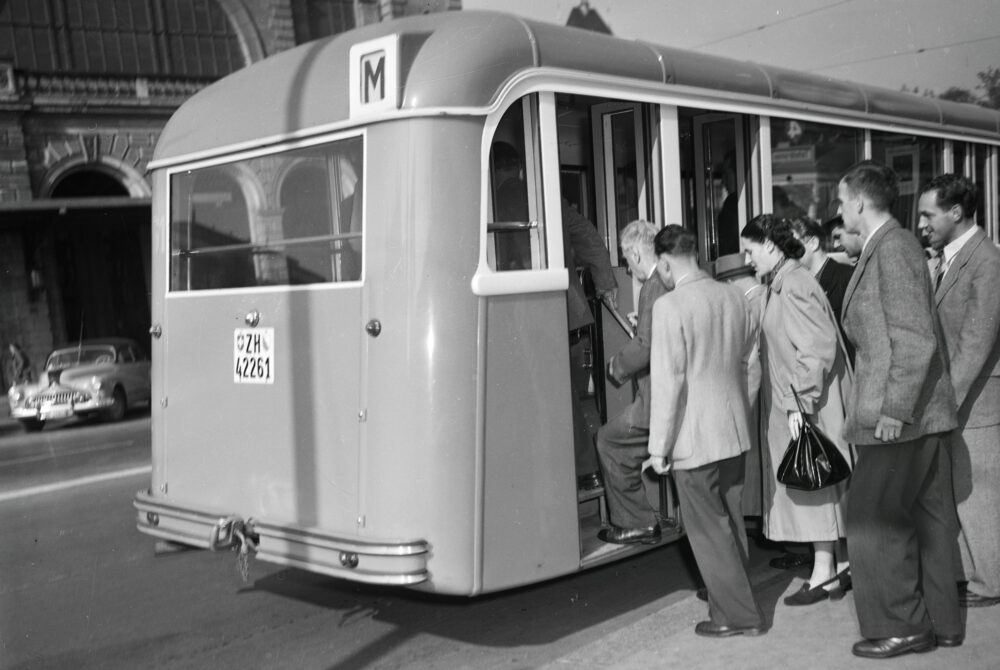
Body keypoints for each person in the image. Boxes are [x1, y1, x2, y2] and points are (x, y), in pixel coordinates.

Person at [838, 160, 961, 658]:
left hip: (899, 418)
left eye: (842, 201)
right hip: (921, 415)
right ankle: (943, 624)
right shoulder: (894, 246)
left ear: (861, 203)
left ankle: (903, 628)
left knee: (872, 520)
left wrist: (893, 409)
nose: (839, 209)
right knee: (928, 521)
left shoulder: (891, 248)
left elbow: (913, 337)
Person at [646, 225, 766, 638]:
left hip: (693, 439)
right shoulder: (734, 295)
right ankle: (736, 599)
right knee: (730, 521)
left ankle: (737, 616)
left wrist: (658, 448)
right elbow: (752, 362)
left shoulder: (669, 305)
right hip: (732, 431)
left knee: (708, 530)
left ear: (664, 262)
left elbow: (669, 382)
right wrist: (738, 408)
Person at [490, 141, 618, 491]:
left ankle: (575, 471)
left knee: (547, 399)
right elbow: (588, 235)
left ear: (494, 170)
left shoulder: (496, 201)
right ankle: (587, 469)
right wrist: (606, 283)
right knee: (572, 396)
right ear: (517, 167)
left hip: (533, 316)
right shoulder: (547, 198)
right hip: (571, 315)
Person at [741, 214, 853, 606]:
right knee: (815, 483)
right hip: (803, 402)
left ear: (770, 246)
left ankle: (824, 572)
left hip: (806, 404)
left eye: (751, 250)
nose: (748, 258)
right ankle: (835, 566)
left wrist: (799, 404)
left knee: (813, 483)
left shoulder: (793, 285)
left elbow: (817, 347)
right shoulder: (784, 281)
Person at [919, 174, 1000, 608]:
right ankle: (975, 575)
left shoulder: (985, 260)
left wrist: (946, 401)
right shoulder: (951, 257)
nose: (922, 223)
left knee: (981, 492)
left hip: (977, 398)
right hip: (958, 396)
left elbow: (977, 339)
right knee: (964, 491)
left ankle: (991, 581)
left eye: (928, 214)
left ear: (956, 212)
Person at [595, 220, 670, 545]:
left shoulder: (653, 286)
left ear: (638, 254)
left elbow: (647, 346)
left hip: (656, 403)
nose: (628, 269)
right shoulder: (666, 280)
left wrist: (617, 365)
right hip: (662, 398)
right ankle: (640, 518)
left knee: (610, 441)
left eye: (627, 261)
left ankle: (636, 522)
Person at [790, 216, 855, 364]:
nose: (790, 253)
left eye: (794, 246)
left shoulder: (846, 277)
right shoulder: (800, 283)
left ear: (813, 243)